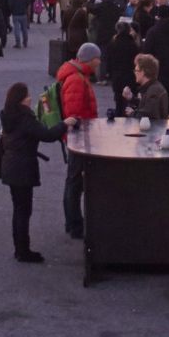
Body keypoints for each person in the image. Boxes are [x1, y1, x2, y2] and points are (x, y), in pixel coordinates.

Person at [0, 82, 66, 262]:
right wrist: (64, 124)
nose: (30, 98)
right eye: (27, 96)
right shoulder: (25, 118)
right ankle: (23, 250)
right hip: (23, 167)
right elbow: (47, 135)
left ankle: (19, 248)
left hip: (10, 165)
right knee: (23, 210)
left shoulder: (8, 116)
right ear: (20, 100)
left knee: (18, 209)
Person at [56, 41, 102, 239]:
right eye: (98, 58)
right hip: (78, 136)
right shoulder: (76, 79)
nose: (100, 62)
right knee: (74, 180)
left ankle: (73, 221)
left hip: (79, 134)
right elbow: (73, 112)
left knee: (74, 180)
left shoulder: (78, 75)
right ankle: (74, 223)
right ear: (90, 59)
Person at [128, 54, 169, 123]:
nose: (135, 73)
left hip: (153, 132)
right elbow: (147, 105)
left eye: (136, 70)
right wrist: (132, 98)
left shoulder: (154, 90)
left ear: (143, 72)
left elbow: (148, 115)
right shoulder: (152, 88)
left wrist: (132, 113)